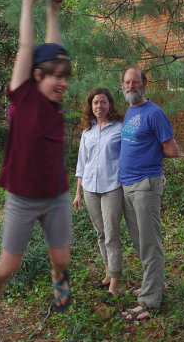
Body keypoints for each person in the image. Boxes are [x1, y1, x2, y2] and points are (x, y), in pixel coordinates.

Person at [0, 0, 72, 328]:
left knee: (62, 258)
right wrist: (29, 2)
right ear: (36, 76)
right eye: (55, 78)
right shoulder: (23, 97)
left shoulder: (55, 102)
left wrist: (53, 10)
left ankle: (57, 277)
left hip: (56, 193)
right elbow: (29, 48)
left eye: (66, 78)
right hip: (23, 196)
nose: (63, 83)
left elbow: (54, 51)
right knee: (8, 265)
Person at [119, 67, 179, 321]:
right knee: (140, 241)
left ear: (145, 84)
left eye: (135, 82)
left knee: (150, 242)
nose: (131, 86)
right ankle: (153, 284)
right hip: (127, 185)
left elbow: (172, 150)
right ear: (122, 85)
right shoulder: (131, 111)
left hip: (145, 185)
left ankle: (150, 301)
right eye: (127, 82)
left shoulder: (154, 113)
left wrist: (152, 162)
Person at [73, 87, 123, 297]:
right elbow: (82, 163)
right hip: (89, 189)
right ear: (90, 106)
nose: (99, 106)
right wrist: (77, 193)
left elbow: (133, 154)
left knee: (112, 235)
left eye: (103, 102)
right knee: (101, 234)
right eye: (95, 103)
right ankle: (107, 274)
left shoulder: (120, 128)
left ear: (109, 104)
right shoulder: (87, 132)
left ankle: (114, 284)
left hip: (112, 187)